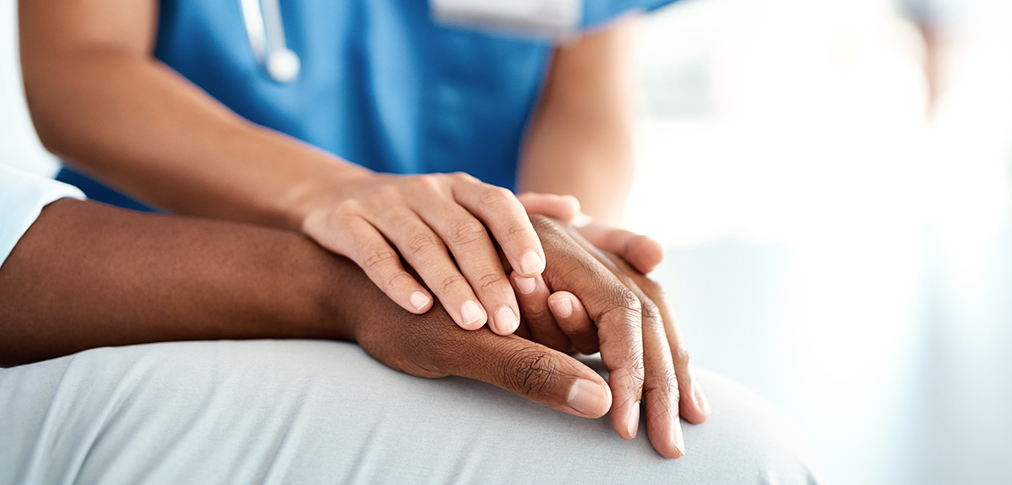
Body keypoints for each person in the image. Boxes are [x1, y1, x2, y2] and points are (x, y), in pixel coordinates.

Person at [2, 0, 759, 452]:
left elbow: (584, 99)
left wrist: (532, 258)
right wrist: (334, 194)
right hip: (167, 301)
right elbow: (81, 70)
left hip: (462, 317)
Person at [0, 163, 821, 483]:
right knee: (730, 464)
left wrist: (535, 256)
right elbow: (84, 66)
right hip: (159, 277)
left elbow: (586, 74)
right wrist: (350, 270)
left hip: (433, 271)